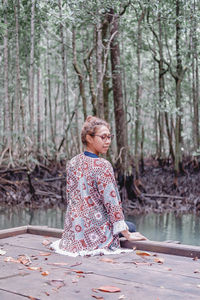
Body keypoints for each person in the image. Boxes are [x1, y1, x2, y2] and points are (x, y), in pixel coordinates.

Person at [51, 116, 146, 257]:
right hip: (95, 233)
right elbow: (112, 203)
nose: (107, 141)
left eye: (109, 137)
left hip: (74, 231)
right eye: (103, 137)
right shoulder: (102, 165)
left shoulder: (72, 162)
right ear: (89, 138)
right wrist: (127, 234)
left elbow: (71, 197)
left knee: (127, 225)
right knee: (130, 227)